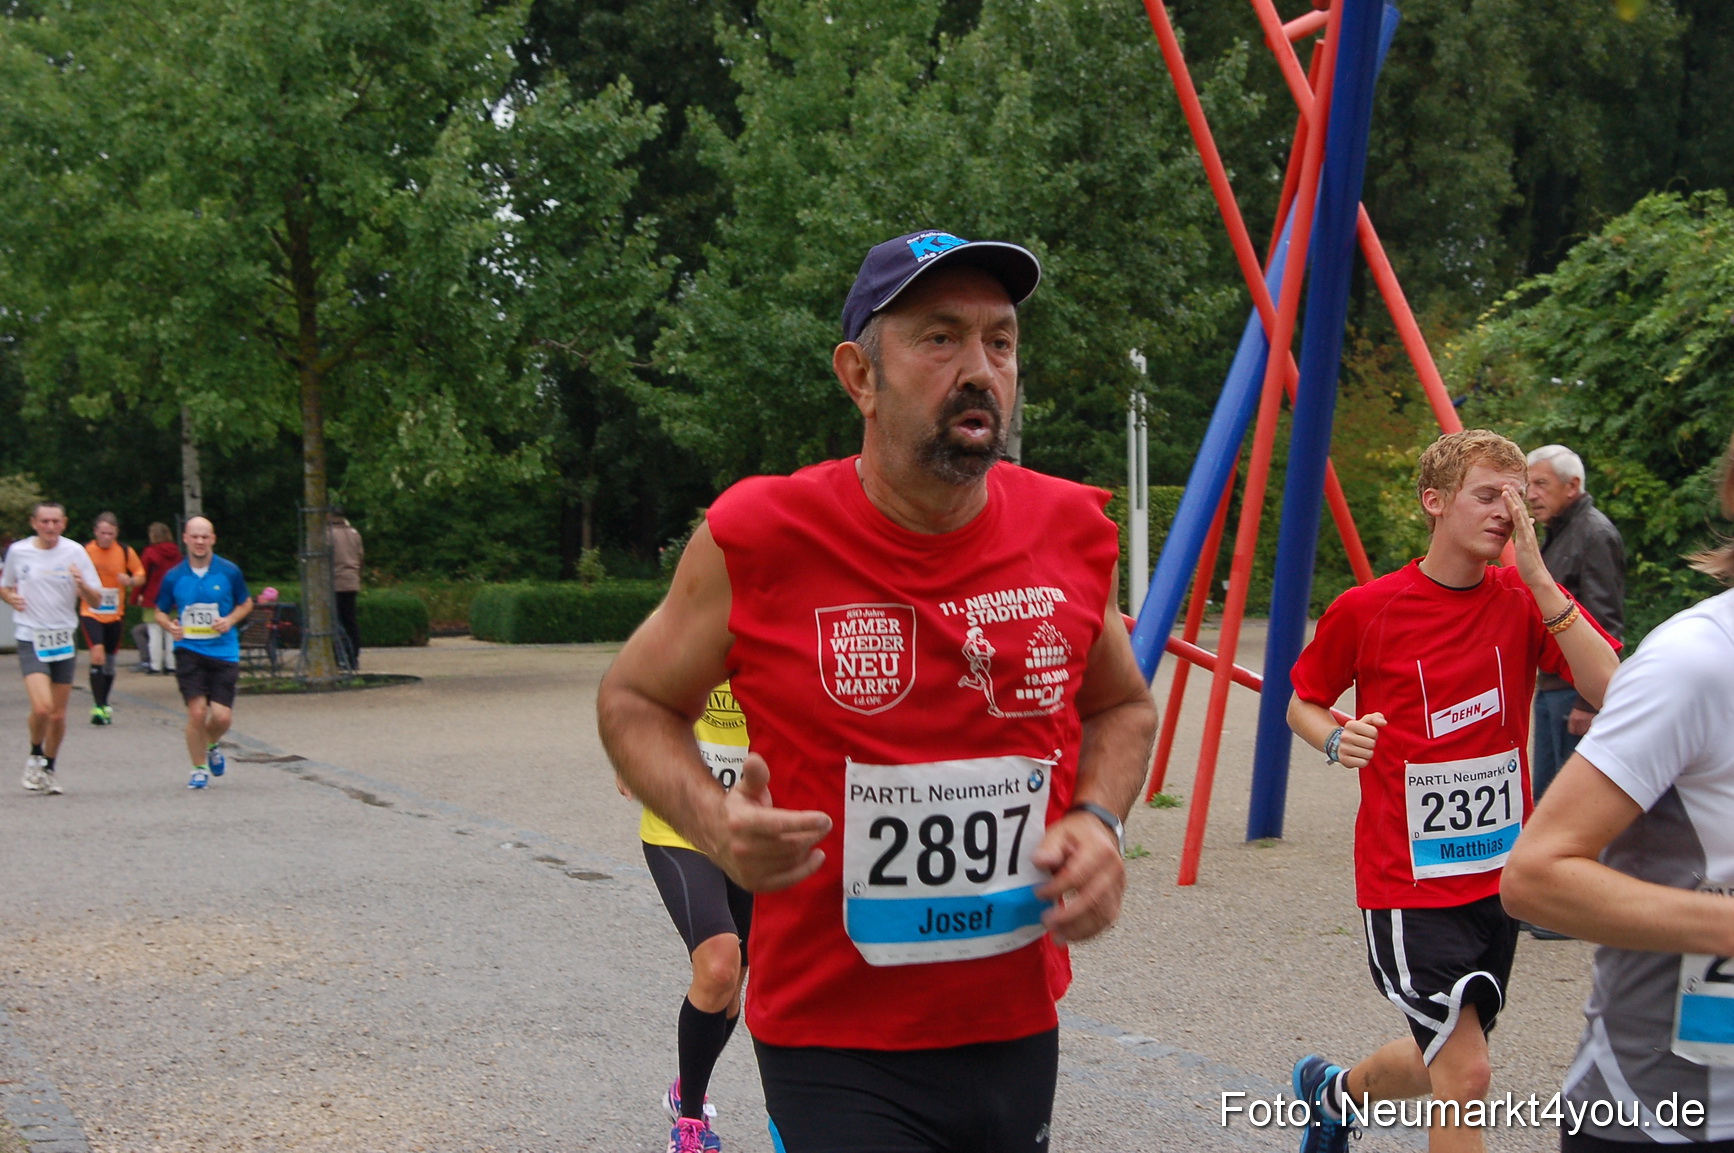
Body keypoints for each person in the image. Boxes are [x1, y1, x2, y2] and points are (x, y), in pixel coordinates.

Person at [597, 229, 1157, 1153]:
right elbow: (631, 700)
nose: (981, 368)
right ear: (860, 375)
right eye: (940, 338)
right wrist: (711, 817)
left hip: (1015, 1022)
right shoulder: (761, 534)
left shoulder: (1068, 530)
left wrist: (1098, 822)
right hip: (831, 1038)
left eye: (1001, 341)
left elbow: (1122, 705)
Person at [1284, 429, 1622, 1153]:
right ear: (1434, 503)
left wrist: (1538, 578)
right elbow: (1302, 700)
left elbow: (1610, 688)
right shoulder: (1368, 608)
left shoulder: (1522, 599)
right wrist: (1338, 739)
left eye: (1516, 494)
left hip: (1499, 881)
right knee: (1465, 1072)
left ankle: (1335, 1093)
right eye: (1486, 494)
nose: (1507, 509)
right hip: (1409, 885)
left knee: (1440, 1054)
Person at [1503, 427, 1734, 1152]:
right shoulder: (1692, 666)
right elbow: (1534, 877)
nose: (1528, 497)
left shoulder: (1587, 531)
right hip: (1664, 1114)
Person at [621, 680, 753, 1153]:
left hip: (750, 829)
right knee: (719, 963)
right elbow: (636, 680)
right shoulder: (691, 614)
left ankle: (685, 1088)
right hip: (680, 826)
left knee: (731, 985)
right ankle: (692, 1123)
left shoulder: (785, 625)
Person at [1525, 444, 1626, 800]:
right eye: (1528, 485)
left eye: (1540, 483)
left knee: (1568, 802)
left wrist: (1589, 703)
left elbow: (1606, 618)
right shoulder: (1558, 532)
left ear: (1572, 485)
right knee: (1544, 797)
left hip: (1575, 691)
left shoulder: (1594, 533)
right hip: (1552, 686)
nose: (1531, 494)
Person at [0, 501, 104, 794]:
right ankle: (35, 754)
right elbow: (4, 585)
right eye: (45, 521)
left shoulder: (75, 552)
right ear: (34, 523)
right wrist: (11, 599)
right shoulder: (19, 552)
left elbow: (96, 601)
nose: (50, 527)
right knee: (43, 707)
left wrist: (82, 585)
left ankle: (49, 768)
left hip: (62, 638)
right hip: (31, 636)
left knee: (58, 715)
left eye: (56, 521)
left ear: (64, 523)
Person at [154, 516, 252, 789]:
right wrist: (169, 625)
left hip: (223, 652)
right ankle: (198, 769)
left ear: (213, 539)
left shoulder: (229, 571)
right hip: (189, 650)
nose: (199, 542)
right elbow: (159, 611)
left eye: (204, 537)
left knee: (222, 717)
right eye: (194, 536)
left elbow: (246, 603)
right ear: (184, 538)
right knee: (197, 713)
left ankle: (210, 745)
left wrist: (230, 620)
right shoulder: (174, 576)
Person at [80, 511, 145, 724]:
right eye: (102, 533)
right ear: (95, 532)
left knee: (109, 661)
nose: (106, 537)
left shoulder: (125, 551)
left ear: (116, 532)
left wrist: (131, 581)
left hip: (115, 613)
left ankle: (104, 702)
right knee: (97, 655)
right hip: (91, 612)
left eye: (110, 533)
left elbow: (140, 574)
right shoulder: (85, 551)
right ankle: (97, 707)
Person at [138, 521, 182, 674]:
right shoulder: (176, 552)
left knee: (154, 632)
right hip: (174, 598)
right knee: (172, 632)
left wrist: (138, 594)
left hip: (153, 597)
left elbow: (142, 576)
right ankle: (172, 665)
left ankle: (155, 665)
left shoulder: (150, 552)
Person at [328, 509, 363, 669]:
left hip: (335, 582)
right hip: (352, 581)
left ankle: (339, 656)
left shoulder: (327, 534)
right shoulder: (354, 533)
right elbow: (361, 557)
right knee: (351, 621)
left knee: (335, 621)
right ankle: (353, 656)